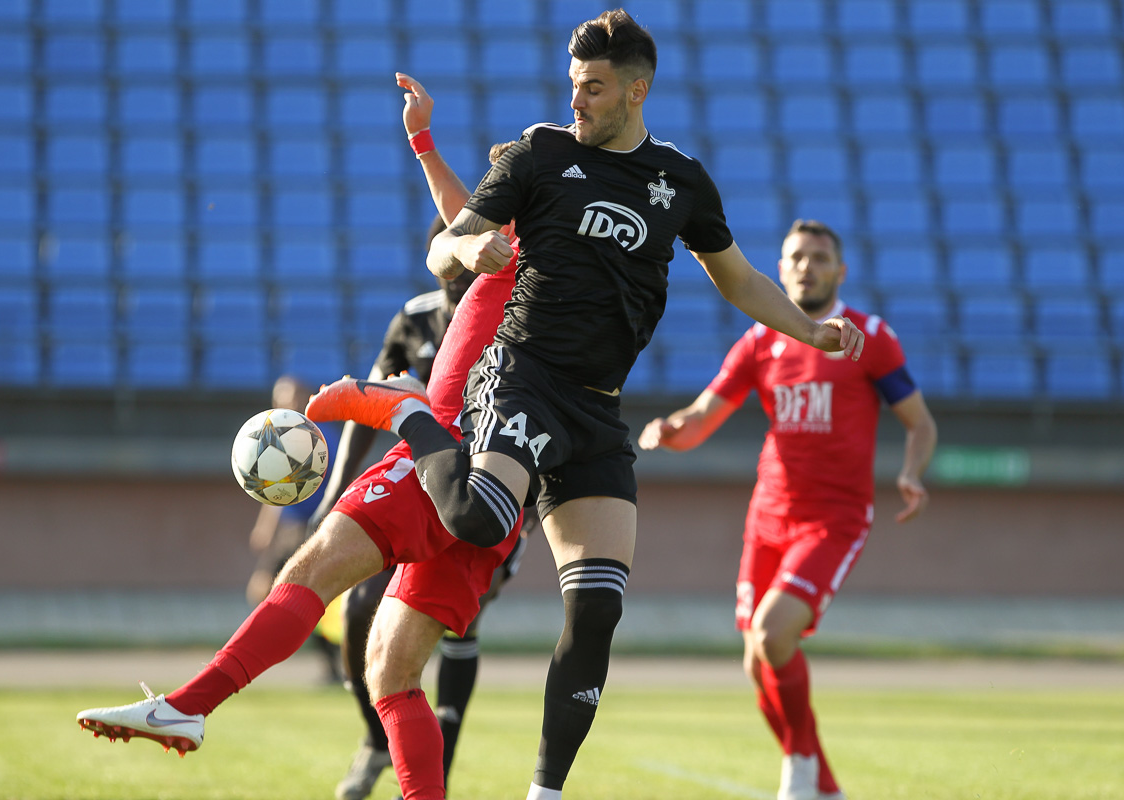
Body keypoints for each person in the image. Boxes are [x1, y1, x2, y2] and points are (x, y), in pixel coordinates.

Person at [306, 11, 864, 800]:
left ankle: (546, 794)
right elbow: (442, 246)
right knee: (479, 518)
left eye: (594, 88)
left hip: (597, 413)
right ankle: (412, 417)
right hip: (523, 380)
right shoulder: (540, 154)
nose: (577, 101)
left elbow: (737, 277)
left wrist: (809, 331)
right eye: (574, 84)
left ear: (637, 91)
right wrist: (466, 247)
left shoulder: (680, 181)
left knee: (598, 609)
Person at [76, 77, 526, 800]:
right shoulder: (530, 258)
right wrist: (422, 143)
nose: (482, 202)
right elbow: (460, 218)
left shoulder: (523, 257)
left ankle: (188, 706)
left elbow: (466, 228)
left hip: (444, 451)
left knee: (311, 571)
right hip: (503, 482)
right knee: (393, 674)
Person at [638, 219, 938, 800]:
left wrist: (910, 473)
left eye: (820, 258)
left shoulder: (869, 337)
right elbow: (702, 417)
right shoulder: (760, 341)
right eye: (797, 257)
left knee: (774, 636)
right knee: (757, 661)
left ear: (840, 271)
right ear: (780, 269)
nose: (807, 266)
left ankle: (799, 767)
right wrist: (670, 430)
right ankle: (823, 785)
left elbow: (920, 423)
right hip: (769, 516)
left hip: (834, 519)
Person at [318, 83, 528, 800]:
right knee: (360, 613)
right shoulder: (418, 316)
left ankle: (439, 765)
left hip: (494, 480)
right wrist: (335, 497)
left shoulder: (526, 291)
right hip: (423, 475)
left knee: (454, 624)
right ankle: (377, 743)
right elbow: (372, 406)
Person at [245, 374, 345, 685]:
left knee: (318, 600)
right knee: (262, 590)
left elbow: (343, 481)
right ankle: (269, 650)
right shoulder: (272, 438)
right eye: (280, 399)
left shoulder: (323, 438)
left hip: (318, 528)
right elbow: (273, 488)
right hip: (290, 530)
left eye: (292, 399)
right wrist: (264, 527)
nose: (285, 405)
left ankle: (333, 665)